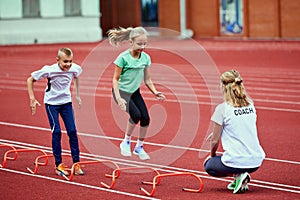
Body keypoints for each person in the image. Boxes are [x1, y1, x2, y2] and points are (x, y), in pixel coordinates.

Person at [108, 27, 165, 160]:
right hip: (121, 92)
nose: (143, 47)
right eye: (139, 44)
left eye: (145, 44)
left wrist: (155, 92)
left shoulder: (145, 58)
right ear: (131, 42)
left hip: (135, 92)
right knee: (136, 115)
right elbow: (115, 79)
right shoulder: (123, 58)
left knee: (145, 118)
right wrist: (118, 98)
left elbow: (148, 79)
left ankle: (139, 147)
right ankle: (125, 142)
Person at [204, 69, 265, 194]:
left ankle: (239, 175)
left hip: (238, 161)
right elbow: (240, 125)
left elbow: (214, 141)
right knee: (228, 160)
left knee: (209, 165)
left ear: (223, 87)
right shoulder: (250, 105)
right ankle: (241, 176)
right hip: (256, 161)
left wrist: (212, 155)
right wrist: (220, 131)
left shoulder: (222, 109)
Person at [27, 47, 84, 176]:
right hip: (52, 104)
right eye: (65, 62)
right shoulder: (49, 70)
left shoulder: (75, 68)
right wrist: (32, 98)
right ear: (57, 60)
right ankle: (58, 165)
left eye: (70, 61)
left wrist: (77, 94)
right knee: (57, 132)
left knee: (72, 131)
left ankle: (76, 163)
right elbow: (30, 80)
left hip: (66, 103)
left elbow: (77, 76)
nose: (68, 64)